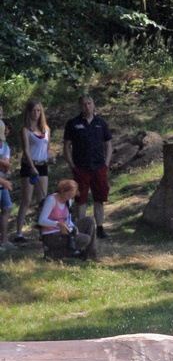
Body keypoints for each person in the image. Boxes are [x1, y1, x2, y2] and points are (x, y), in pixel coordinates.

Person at [63, 93, 112, 238]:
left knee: (99, 198)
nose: (87, 106)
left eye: (89, 103)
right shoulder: (73, 123)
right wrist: (72, 165)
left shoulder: (101, 123)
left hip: (98, 167)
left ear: (94, 105)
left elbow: (108, 144)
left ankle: (100, 228)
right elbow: (66, 146)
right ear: (80, 107)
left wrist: (106, 164)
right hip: (81, 168)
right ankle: (81, 229)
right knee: (81, 199)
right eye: (84, 104)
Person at [15, 99, 52, 245]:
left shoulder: (46, 129)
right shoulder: (26, 130)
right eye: (33, 111)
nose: (36, 113)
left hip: (43, 166)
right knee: (27, 200)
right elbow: (26, 150)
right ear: (29, 112)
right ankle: (18, 233)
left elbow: (48, 149)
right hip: (29, 166)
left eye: (38, 111)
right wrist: (31, 166)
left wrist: (51, 157)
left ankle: (43, 232)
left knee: (42, 200)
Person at [37, 179, 98, 261]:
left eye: (71, 197)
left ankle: (90, 255)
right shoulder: (51, 200)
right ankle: (53, 254)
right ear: (62, 190)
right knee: (85, 239)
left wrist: (73, 228)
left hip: (64, 231)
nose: (69, 198)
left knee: (89, 220)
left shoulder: (68, 201)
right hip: (51, 235)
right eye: (68, 196)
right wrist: (58, 224)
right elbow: (41, 221)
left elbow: (68, 219)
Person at [0, 121, 14, 251]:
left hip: (2, 179)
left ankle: (4, 240)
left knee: (7, 207)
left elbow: (7, 165)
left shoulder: (5, 146)